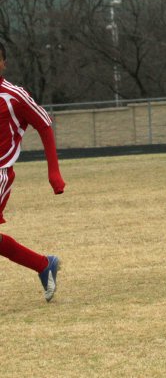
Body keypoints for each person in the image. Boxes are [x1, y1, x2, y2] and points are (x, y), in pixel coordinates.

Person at [0, 40, 66, 302]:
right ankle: (43, 264)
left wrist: (54, 173)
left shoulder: (14, 95)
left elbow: (45, 124)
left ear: (3, 63)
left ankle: (43, 265)